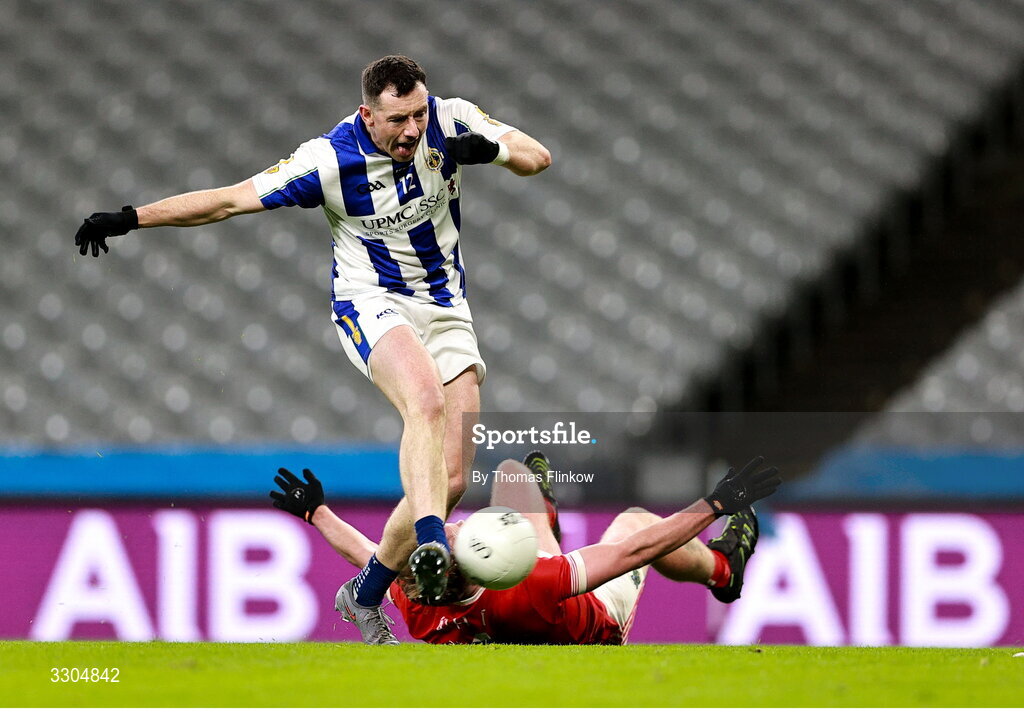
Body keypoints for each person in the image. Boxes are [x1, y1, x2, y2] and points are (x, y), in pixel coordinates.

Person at [75, 55, 552, 643]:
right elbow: (228, 200)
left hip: (448, 308)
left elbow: (537, 157)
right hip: (371, 302)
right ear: (367, 116)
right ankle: (431, 547)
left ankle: (367, 592)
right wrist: (130, 218)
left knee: (451, 478)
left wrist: (493, 152)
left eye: (418, 114)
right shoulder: (327, 160)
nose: (412, 129)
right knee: (422, 403)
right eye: (398, 118)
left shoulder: (450, 122)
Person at [270, 452, 781, 645]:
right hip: (593, 629)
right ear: (468, 563)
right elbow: (634, 551)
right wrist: (715, 504)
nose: (442, 528)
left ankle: (544, 522)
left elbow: (368, 555)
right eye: (447, 535)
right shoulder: (533, 583)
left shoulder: (415, 598)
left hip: (509, 613)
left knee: (513, 474)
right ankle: (723, 570)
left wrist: (319, 513)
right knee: (633, 522)